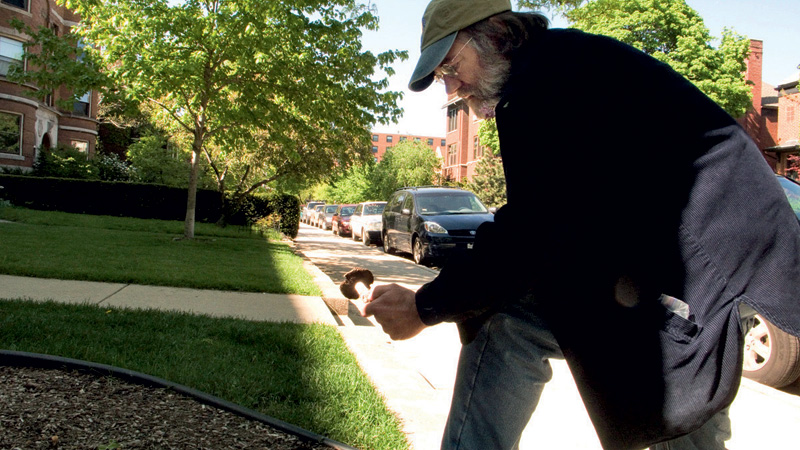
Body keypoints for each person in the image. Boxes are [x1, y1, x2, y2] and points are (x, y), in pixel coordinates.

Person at [361, 0, 800, 449]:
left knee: (679, 405)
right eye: (440, 77)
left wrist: (425, 307)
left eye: (451, 65)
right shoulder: (543, 74)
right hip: (649, 256)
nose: (451, 87)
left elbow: (527, 238)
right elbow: (543, 230)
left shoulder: (551, 82)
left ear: (495, 34)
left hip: (708, 257)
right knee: (507, 319)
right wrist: (439, 302)